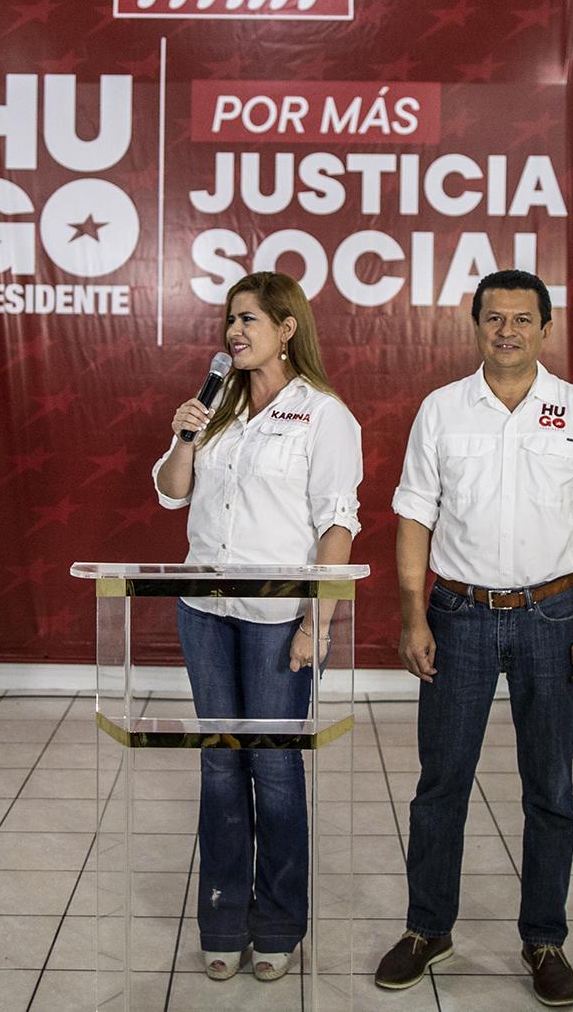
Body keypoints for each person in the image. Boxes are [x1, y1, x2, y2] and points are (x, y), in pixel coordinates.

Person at [373, 269, 573, 1007]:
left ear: (546, 327)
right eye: (494, 318)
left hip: (555, 617)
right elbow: (414, 517)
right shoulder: (442, 410)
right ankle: (428, 928)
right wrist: (414, 615)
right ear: (475, 325)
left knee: (550, 787)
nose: (508, 330)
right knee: (440, 782)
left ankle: (544, 937)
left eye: (522, 318)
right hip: (458, 615)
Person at [152, 270, 364, 982]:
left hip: (279, 618)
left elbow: (338, 523)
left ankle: (276, 924)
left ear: (286, 328)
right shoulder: (213, 408)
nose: (234, 333)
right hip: (205, 610)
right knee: (220, 762)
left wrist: (318, 620)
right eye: (229, 322)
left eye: (248, 320)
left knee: (274, 766)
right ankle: (221, 917)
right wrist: (186, 435)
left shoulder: (324, 414)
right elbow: (171, 490)